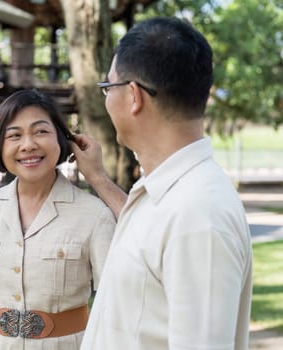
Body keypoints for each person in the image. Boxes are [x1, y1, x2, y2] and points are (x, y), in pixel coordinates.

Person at [71, 17, 253, 350]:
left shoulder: (199, 216)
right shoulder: (169, 192)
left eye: (107, 87)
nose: (106, 99)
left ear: (133, 96)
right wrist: (97, 177)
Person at [0, 89, 116, 349]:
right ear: (0, 146)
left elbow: (113, 305)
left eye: (40, 132)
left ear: (62, 139)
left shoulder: (95, 215)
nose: (28, 145)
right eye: (14, 135)